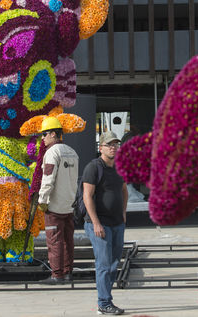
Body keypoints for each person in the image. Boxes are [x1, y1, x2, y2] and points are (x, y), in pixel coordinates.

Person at [83, 131, 129, 315]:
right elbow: (87, 196)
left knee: (113, 262)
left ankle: (106, 298)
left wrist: (124, 214)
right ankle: (104, 303)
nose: (113, 147)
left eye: (116, 144)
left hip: (117, 222)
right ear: (100, 147)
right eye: (109, 144)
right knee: (103, 263)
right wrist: (95, 223)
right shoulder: (94, 167)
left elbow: (124, 190)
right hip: (100, 223)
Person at [37, 117, 79, 284]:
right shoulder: (72, 151)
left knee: (54, 242)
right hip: (69, 204)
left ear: (54, 134)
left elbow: (48, 178)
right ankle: (68, 272)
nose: (42, 138)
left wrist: (42, 200)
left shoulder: (52, 153)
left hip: (54, 206)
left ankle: (57, 275)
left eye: (44, 134)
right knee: (68, 241)